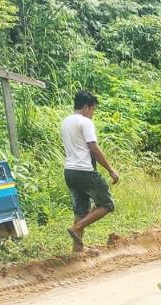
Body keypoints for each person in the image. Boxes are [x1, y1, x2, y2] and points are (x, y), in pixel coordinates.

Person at [61, 90, 119, 252]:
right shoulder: (85, 122)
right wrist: (110, 169)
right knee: (107, 204)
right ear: (86, 107)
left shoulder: (66, 122)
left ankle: (77, 250)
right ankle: (76, 228)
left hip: (70, 171)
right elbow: (93, 148)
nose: (93, 114)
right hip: (84, 170)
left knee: (81, 209)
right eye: (93, 109)